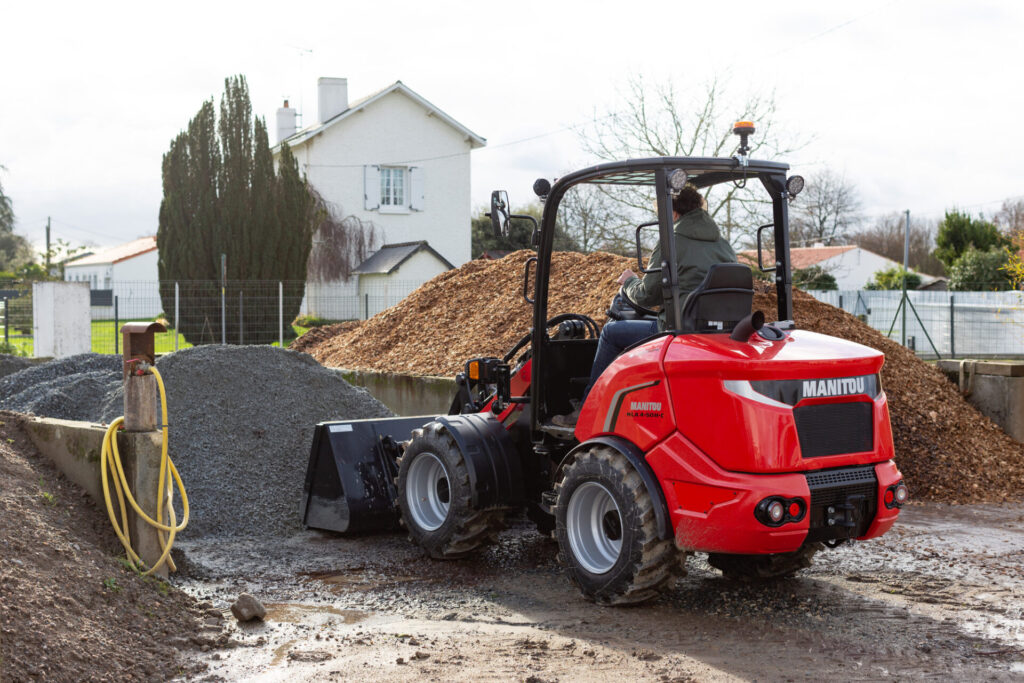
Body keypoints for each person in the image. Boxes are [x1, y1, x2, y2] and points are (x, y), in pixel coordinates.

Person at [552, 184, 736, 427]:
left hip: (679, 330)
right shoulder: (723, 245)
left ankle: (588, 410)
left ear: (672, 213)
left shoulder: (673, 241)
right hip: (719, 331)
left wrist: (629, 280)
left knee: (610, 332)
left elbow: (646, 295)